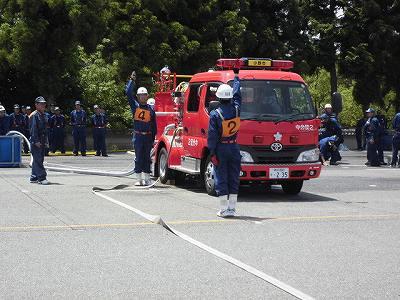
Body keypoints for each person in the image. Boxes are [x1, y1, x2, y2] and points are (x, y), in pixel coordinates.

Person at [208, 67, 241, 218]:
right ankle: (232, 209)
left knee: (221, 177)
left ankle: (223, 209)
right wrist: (236, 77)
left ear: (218, 98)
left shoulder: (215, 114)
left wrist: (212, 152)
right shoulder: (236, 110)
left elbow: (212, 136)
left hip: (221, 147)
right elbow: (238, 96)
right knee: (234, 177)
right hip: (234, 147)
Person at [125, 71, 157, 186]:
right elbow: (128, 93)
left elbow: (154, 125)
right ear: (138, 96)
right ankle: (138, 178)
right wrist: (132, 81)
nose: (142, 97)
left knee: (147, 158)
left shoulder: (150, 109)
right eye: (140, 95)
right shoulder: (135, 106)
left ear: (147, 96)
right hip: (138, 136)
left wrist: (153, 138)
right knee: (138, 157)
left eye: (144, 95)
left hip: (148, 136)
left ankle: (147, 178)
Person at [29, 96, 49, 184]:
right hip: (36, 140)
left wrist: (46, 141)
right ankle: (41, 178)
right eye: (41, 104)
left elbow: (45, 129)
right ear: (36, 105)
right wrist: (36, 141)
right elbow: (33, 129)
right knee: (38, 159)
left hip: (42, 139)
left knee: (39, 159)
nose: (43, 105)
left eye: (44, 103)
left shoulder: (43, 114)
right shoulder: (34, 115)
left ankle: (34, 177)